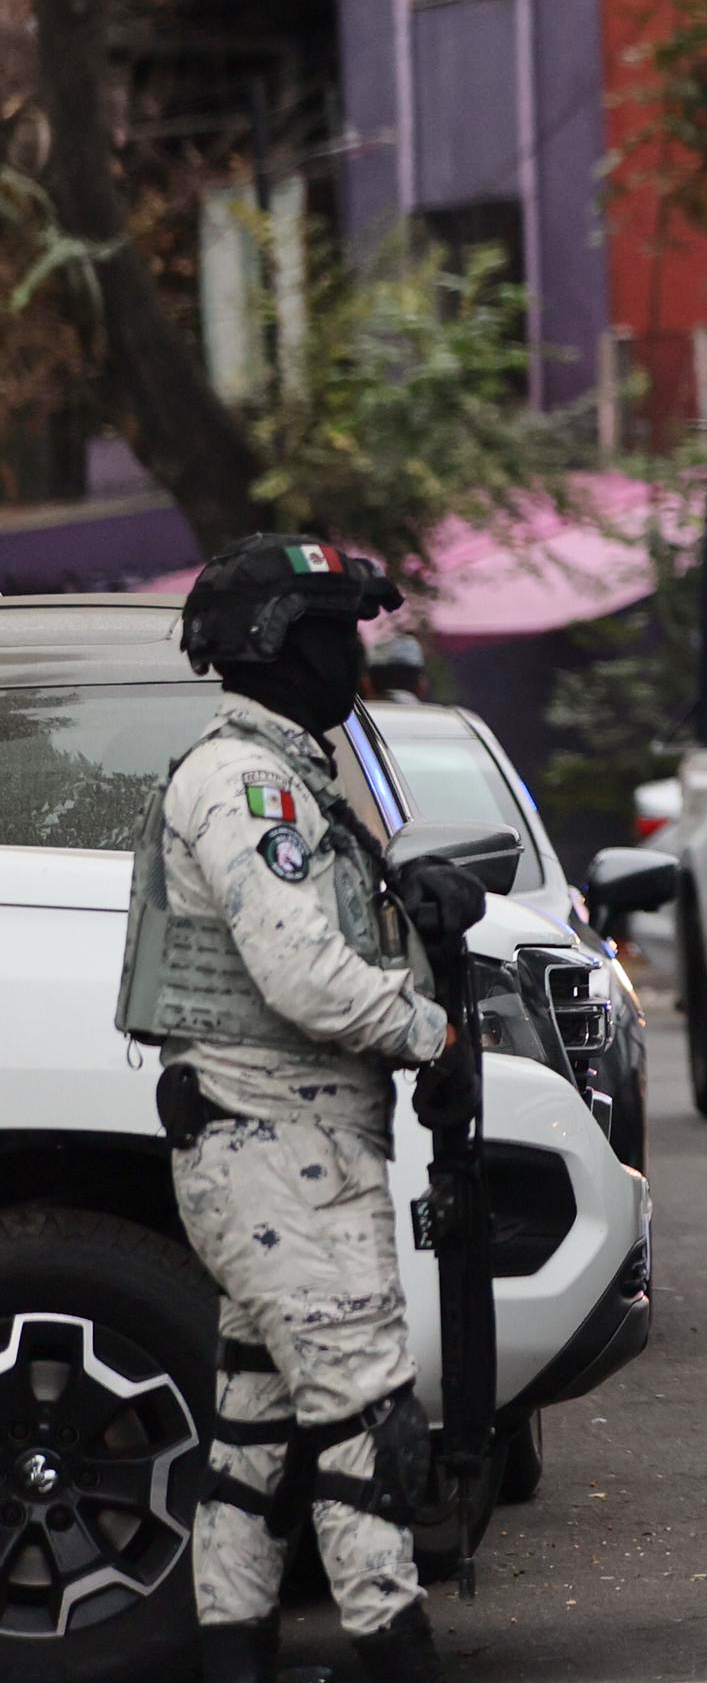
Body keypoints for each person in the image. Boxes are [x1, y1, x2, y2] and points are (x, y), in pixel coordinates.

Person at [117, 535, 476, 1683]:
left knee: (254, 1433)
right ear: (278, 641)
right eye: (333, 633)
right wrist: (430, 1030)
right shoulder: (248, 780)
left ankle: (236, 1655)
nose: (352, 659)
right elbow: (302, 974)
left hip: (285, 1141)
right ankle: (393, 1648)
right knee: (366, 1425)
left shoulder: (296, 771)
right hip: (278, 1143)